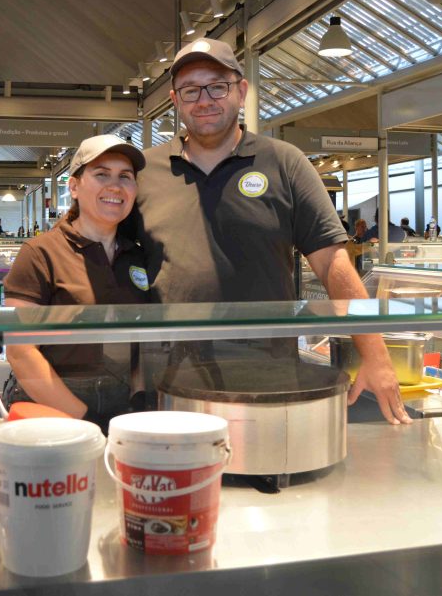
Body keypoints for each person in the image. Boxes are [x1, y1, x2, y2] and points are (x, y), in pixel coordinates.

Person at [132, 38, 409, 425]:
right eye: (190, 90)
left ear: (241, 91)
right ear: (176, 101)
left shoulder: (284, 163)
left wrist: (375, 356)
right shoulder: (145, 170)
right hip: (169, 369)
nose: (204, 99)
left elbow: (332, 264)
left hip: (266, 367)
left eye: (217, 86)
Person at [2, 135, 148, 429]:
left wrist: (139, 397)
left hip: (120, 404)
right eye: (101, 174)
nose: (115, 186)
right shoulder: (40, 253)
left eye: (125, 177)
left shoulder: (138, 257)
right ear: (74, 186)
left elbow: (143, 342)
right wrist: (85, 418)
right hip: (50, 407)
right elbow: (21, 352)